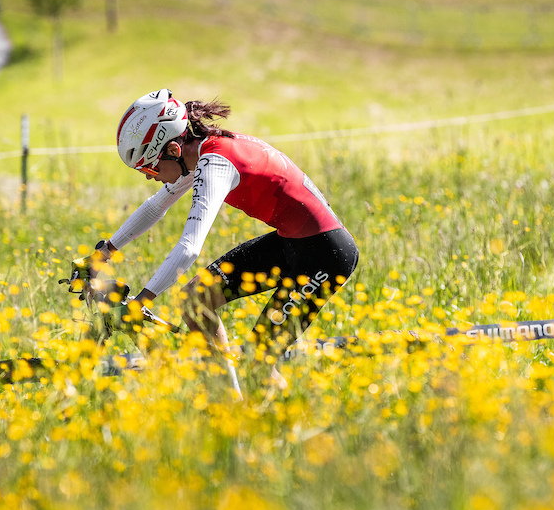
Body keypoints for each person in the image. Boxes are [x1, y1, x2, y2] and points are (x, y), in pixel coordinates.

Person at [77, 89, 358, 397]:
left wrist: (142, 301)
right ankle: (229, 402)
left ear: (172, 148)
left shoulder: (216, 164)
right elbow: (157, 206)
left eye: (149, 167)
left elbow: (190, 247)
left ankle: (282, 426)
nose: (149, 176)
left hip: (325, 256)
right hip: (292, 242)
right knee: (197, 300)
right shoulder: (201, 153)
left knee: (258, 364)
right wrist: (105, 251)